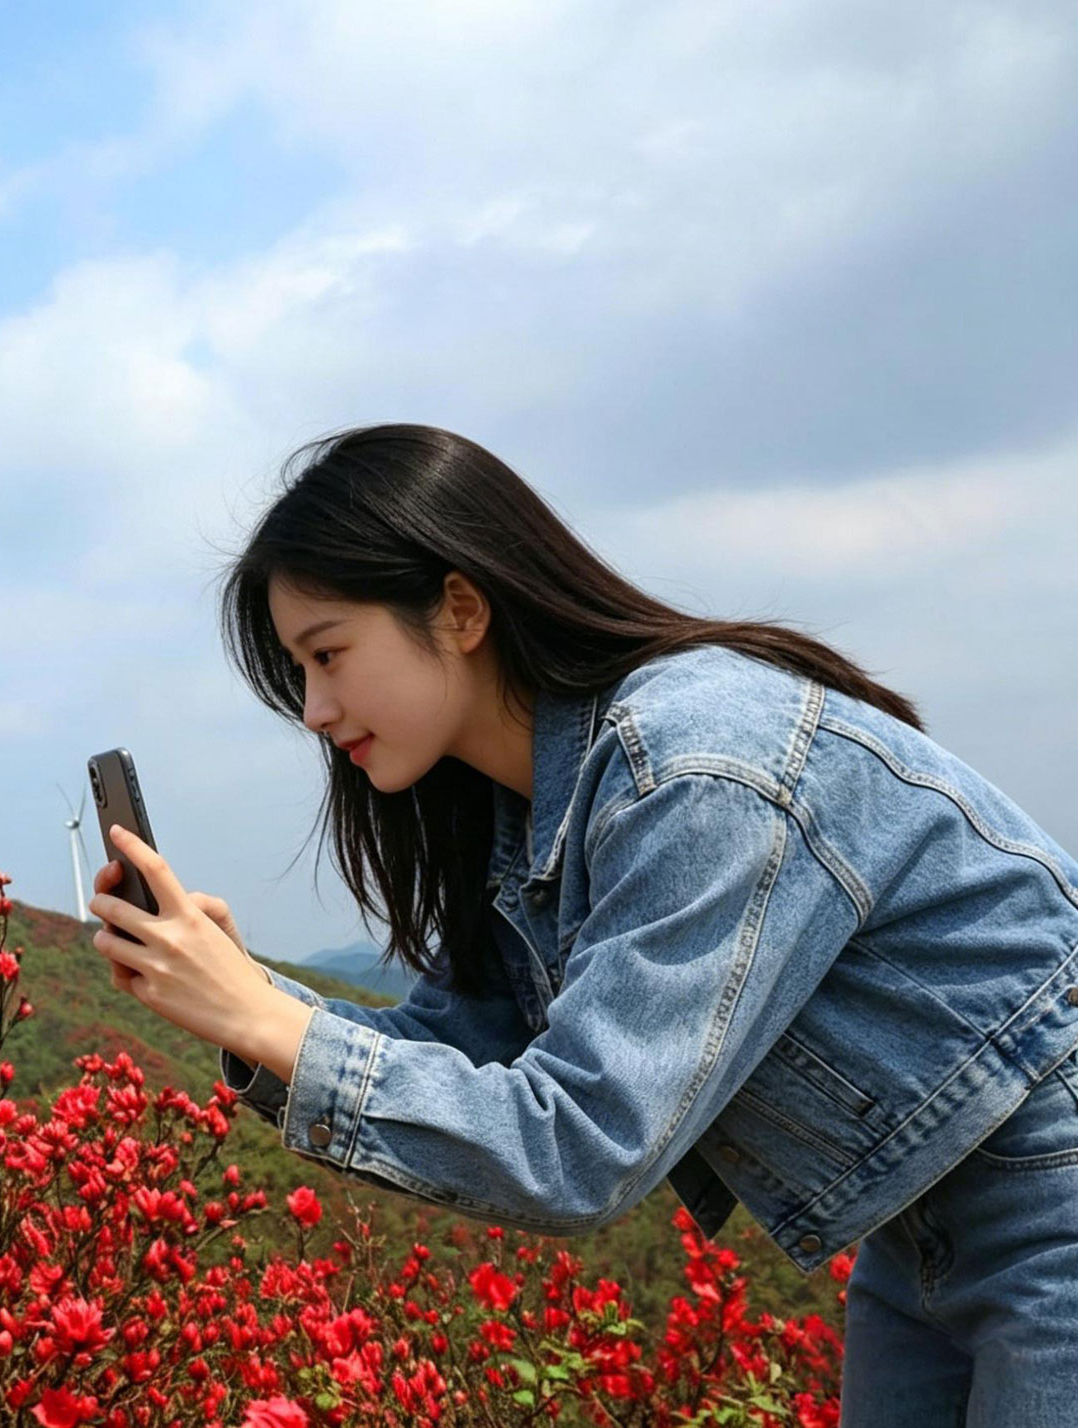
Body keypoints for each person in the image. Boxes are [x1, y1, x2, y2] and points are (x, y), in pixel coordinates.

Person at [87, 423, 1078, 1426]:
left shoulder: (694, 767)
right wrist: (237, 1000)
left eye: (327, 655)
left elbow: (582, 1146)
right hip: (921, 1232)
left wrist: (264, 1022)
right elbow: (465, 1046)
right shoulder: (521, 811)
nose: (311, 708)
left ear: (459, 608)